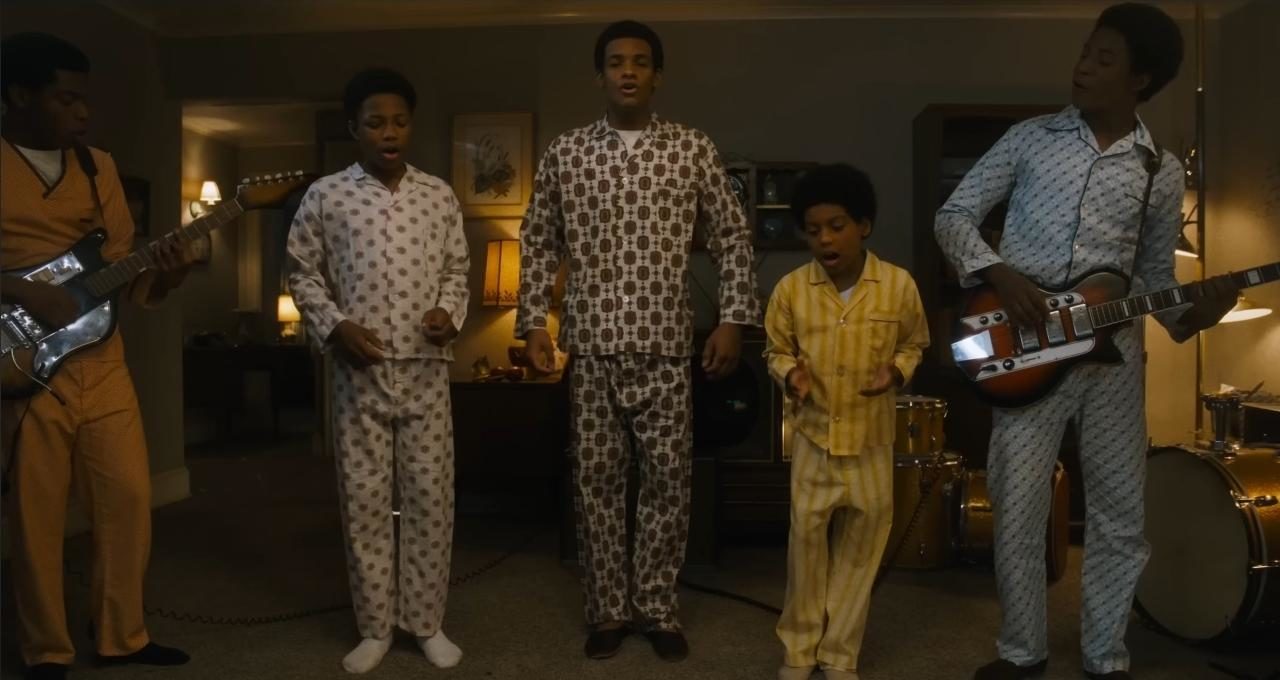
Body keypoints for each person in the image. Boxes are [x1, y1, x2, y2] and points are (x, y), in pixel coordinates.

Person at [934, 5, 1238, 679]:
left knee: (1120, 514)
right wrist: (998, 273)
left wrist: (1201, 315)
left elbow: (1154, 278)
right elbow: (953, 216)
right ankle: (1022, 654)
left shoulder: (1160, 170)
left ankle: (1107, 658)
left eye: (1104, 59)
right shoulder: (1029, 139)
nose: (1083, 67)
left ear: (1140, 79)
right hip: (1023, 347)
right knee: (1017, 506)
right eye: (1084, 52)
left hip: (1113, 362)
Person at [516, 19, 760, 662]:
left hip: (664, 346)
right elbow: (538, 239)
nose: (628, 71)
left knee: (668, 483)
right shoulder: (567, 152)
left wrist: (733, 318)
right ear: (600, 75)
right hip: (592, 345)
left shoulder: (691, 148)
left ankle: (656, 609)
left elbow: (731, 235)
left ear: (657, 75)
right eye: (616, 62)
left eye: (641, 61)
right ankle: (607, 611)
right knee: (596, 482)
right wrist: (533, 321)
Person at [0, 32, 193, 680]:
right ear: (18, 96)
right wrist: (22, 291)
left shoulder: (97, 167)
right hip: (25, 362)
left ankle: (121, 636)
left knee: (128, 499)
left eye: (85, 100)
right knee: (36, 515)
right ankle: (46, 650)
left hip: (101, 357)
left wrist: (169, 273)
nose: (83, 113)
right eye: (66, 99)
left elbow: (124, 274)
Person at [287, 67, 468, 675]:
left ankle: (426, 622)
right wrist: (335, 325)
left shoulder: (438, 195)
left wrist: (449, 312)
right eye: (375, 123)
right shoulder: (326, 196)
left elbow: (457, 270)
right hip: (357, 371)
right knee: (364, 499)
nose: (389, 132)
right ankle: (374, 627)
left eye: (399, 122)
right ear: (354, 129)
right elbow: (302, 272)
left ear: (410, 126)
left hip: (425, 370)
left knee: (429, 497)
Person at [765, 164, 928, 680]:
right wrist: (791, 375)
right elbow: (775, 350)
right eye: (814, 230)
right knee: (805, 549)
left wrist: (896, 372)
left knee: (861, 554)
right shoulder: (791, 289)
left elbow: (914, 344)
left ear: (864, 226)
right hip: (813, 441)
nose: (825, 239)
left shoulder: (898, 286)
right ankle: (799, 651)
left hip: (871, 442)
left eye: (836, 226)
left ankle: (839, 654)